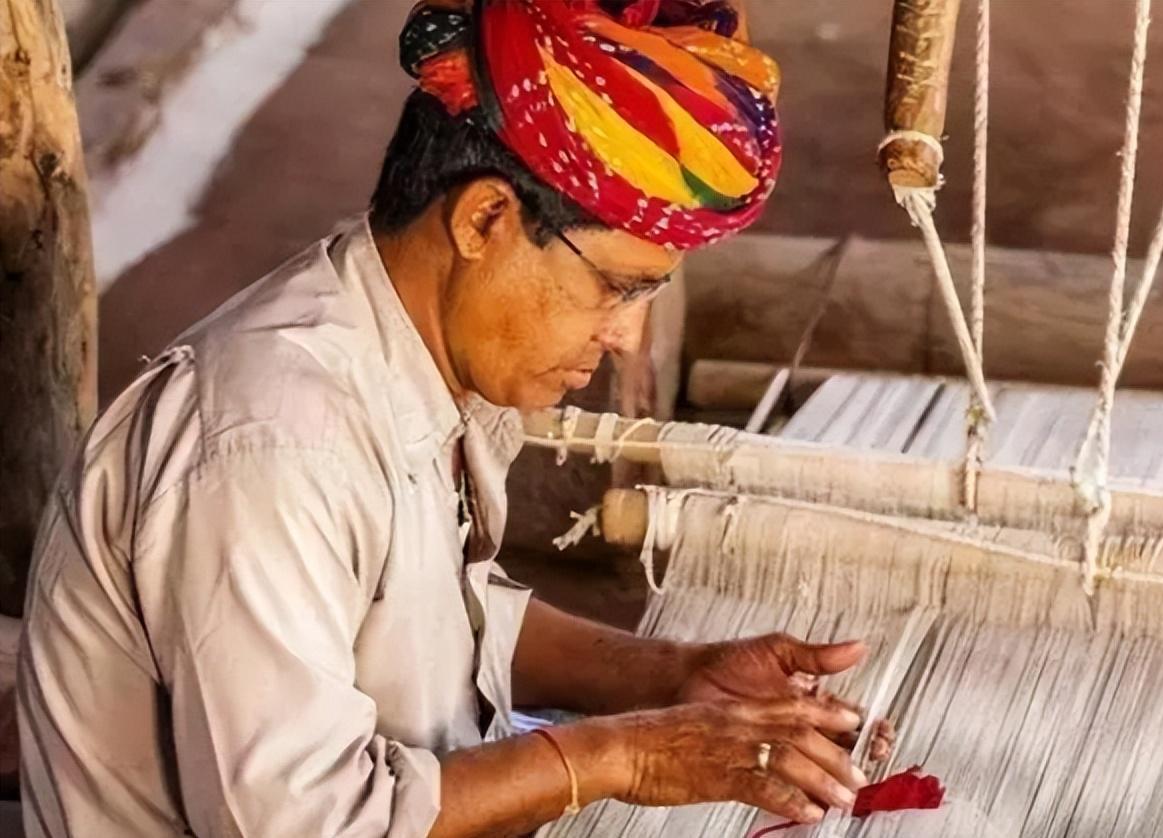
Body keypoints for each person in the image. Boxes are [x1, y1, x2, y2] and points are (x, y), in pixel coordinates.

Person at [18, 1, 891, 835]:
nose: (627, 337)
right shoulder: (274, 449)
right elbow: (299, 824)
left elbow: (441, 620)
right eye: (616, 288)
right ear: (486, 219)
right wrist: (620, 756)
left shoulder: (399, 351)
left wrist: (676, 675)